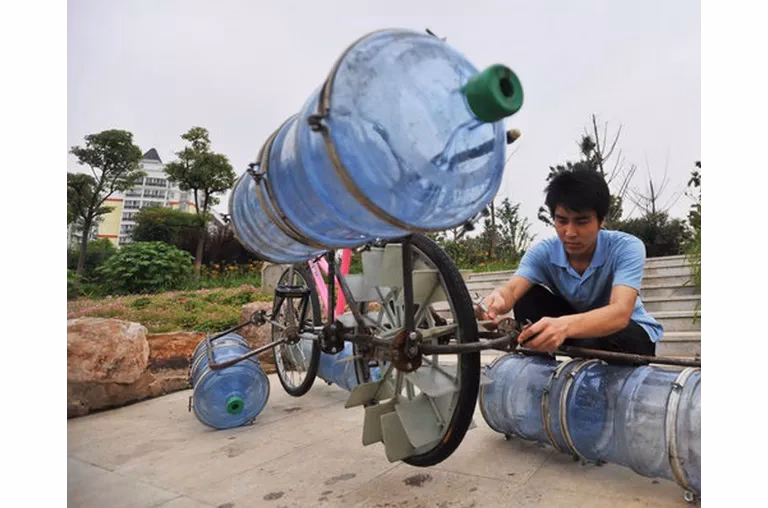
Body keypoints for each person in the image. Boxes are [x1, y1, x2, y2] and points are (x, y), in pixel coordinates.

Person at [475, 168, 663, 355]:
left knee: (611, 335)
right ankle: (542, 371)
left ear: (602, 220)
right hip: (576, 332)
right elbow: (512, 291)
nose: (570, 232)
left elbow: (620, 314)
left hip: (628, 334)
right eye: (562, 221)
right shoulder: (543, 253)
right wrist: (496, 301)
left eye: (581, 222)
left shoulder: (626, 247)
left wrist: (565, 325)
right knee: (527, 298)